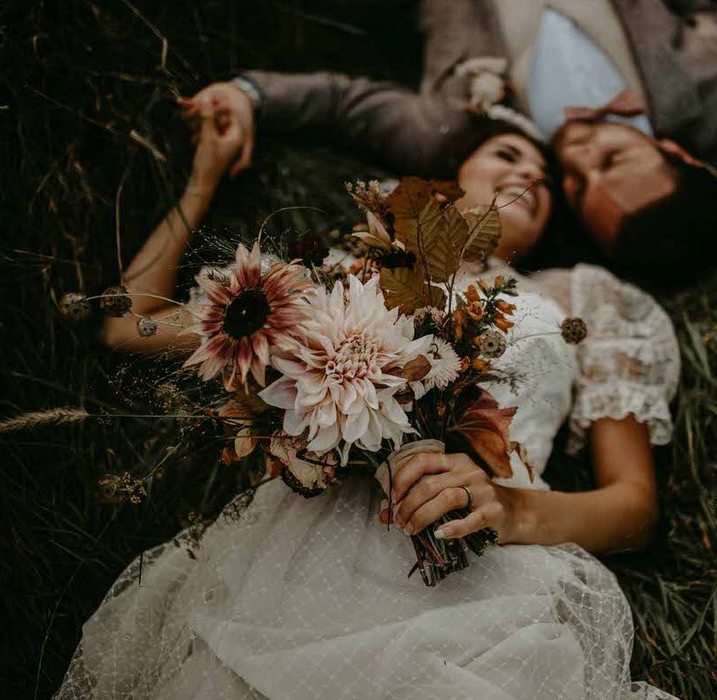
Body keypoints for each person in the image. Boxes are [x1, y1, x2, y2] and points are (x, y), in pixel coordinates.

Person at [56, 105, 680, 698]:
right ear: (446, 181)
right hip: (311, 541)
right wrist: (205, 173)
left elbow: (635, 506)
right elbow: (127, 325)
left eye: (548, 181)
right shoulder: (346, 274)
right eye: (508, 154)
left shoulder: (585, 299)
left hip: (487, 559)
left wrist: (513, 511)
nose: (529, 176)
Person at [187, 0, 717, 282]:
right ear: (678, 152)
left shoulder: (459, 135)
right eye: (612, 156)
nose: (577, 155)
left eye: (576, 186)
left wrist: (248, 95)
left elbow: (342, 103)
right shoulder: (704, 87)